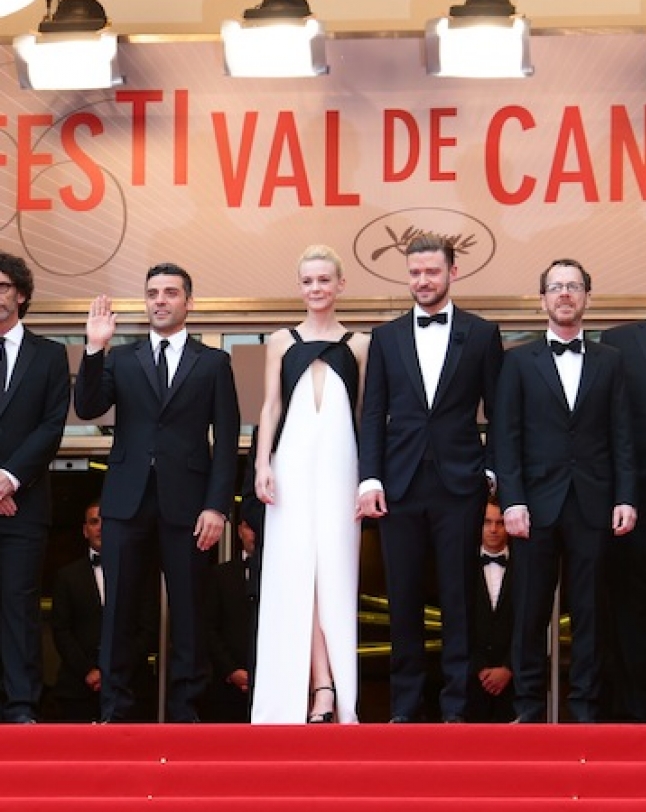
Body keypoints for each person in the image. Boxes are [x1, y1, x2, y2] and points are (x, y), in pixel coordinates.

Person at [74, 262, 240, 723]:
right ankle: (116, 711)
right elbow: (87, 407)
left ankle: (187, 713)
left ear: (189, 301)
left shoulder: (213, 362)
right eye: (153, 293)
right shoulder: (122, 358)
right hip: (126, 501)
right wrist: (94, 349)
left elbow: (227, 441)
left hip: (188, 504)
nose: (160, 300)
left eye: (170, 292)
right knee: (119, 612)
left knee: (189, 613)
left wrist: (217, 506)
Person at [357, 232, 504, 724]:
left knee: (459, 597)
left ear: (452, 273)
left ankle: (456, 708)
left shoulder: (482, 334)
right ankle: (404, 708)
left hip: (460, 484)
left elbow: (499, 412)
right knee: (402, 599)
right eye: (415, 272)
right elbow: (372, 413)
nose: (423, 280)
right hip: (398, 485)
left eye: (432, 272)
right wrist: (369, 478)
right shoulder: (386, 337)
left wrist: (490, 469)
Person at [494, 258, 637, 723]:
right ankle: (528, 709)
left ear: (586, 297)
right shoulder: (517, 361)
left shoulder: (611, 361)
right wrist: (512, 500)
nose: (565, 294)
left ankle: (586, 711)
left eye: (573, 286)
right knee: (529, 611)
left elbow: (622, 434)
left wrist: (626, 496)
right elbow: (506, 436)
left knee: (591, 610)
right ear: (542, 300)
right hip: (534, 505)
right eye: (556, 287)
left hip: (594, 502)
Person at [252, 245, 369, 724]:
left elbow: (364, 415)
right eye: (307, 281)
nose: (315, 288)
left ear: (340, 284)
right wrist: (262, 463)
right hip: (291, 467)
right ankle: (320, 688)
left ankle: (335, 691)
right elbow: (270, 406)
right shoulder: (281, 340)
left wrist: (368, 477)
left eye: (324, 280)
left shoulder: (361, 344)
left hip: (342, 467)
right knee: (296, 574)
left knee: (335, 575)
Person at [600, 246, 646, 721]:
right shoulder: (618, 343)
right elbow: (607, 425)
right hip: (640, 504)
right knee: (637, 618)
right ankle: (639, 724)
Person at [0, 251, 70, 724]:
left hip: (22, 506)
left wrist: (7, 479)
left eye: (2, 286)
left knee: (19, 605)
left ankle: (21, 706)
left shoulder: (49, 355)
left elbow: (51, 426)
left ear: (21, 294)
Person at [51, 500, 158, 722]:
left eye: (106, 521)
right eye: (94, 522)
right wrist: (88, 671)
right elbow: (61, 630)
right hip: (78, 688)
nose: (100, 527)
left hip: (132, 685)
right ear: (85, 530)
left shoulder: (139, 574)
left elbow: (148, 628)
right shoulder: (67, 576)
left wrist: (116, 670)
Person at [466, 497, 515, 723]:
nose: (494, 529)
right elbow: (457, 622)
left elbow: (531, 623)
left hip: (514, 685)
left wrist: (508, 668)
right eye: (487, 522)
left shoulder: (524, 568)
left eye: (500, 522)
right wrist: (479, 668)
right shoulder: (463, 567)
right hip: (471, 682)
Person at [205, 518, 256, 722]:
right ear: (240, 530)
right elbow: (208, 628)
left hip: (275, 688)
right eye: (250, 527)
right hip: (225, 691)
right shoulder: (220, 575)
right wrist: (231, 670)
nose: (255, 534)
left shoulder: (285, 578)